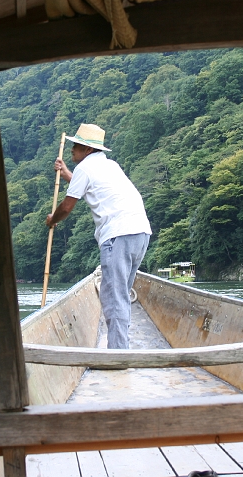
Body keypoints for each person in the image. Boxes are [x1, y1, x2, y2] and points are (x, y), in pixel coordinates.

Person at [46, 123, 151, 349]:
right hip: (141, 233)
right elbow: (88, 186)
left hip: (118, 235)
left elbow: (66, 207)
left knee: (114, 299)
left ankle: (118, 355)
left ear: (88, 150)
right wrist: (66, 174)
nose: (73, 149)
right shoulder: (109, 166)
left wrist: (52, 220)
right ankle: (120, 348)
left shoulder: (86, 169)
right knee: (120, 295)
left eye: (77, 146)